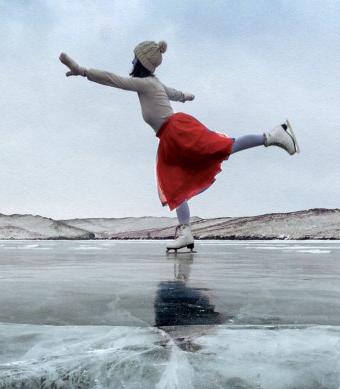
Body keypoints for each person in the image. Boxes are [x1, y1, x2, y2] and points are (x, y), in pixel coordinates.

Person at [59, 40, 298, 252]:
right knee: (174, 183)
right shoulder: (153, 82)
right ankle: (186, 233)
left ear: (140, 61)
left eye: (134, 57)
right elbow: (171, 92)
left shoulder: (144, 84)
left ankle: (273, 135)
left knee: (222, 147)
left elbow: (114, 80)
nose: (131, 60)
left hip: (176, 131)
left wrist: (83, 71)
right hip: (169, 137)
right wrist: (184, 96)